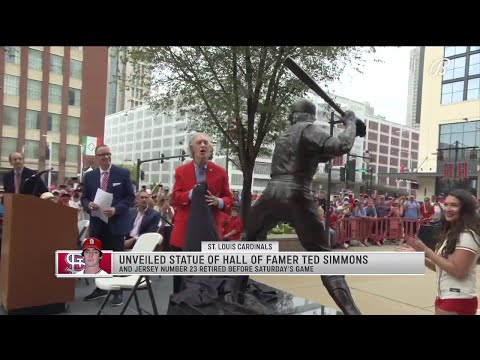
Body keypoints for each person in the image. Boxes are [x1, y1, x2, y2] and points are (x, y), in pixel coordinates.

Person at [236, 98, 366, 315]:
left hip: (272, 192)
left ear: (292, 116)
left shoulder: (285, 135)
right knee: (325, 258)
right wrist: (350, 123)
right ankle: (352, 312)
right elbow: (340, 146)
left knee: (248, 237)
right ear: (310, 117)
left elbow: (323, 153)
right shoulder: (309, 129)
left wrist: (352, 129)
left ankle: (236, 291)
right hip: (295, 192)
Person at [400, 189, 480, 315]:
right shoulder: (451, 233)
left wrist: (427, 251)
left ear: (465, 210)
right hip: (444, 297)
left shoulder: (467, 236)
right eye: (446, 204)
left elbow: (458, 271)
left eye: (454, 205)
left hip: (458, 299)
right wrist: (419, 256)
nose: (448, 209)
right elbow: (441, 267)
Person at [170, 133, 233, 292]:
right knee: (180, 280)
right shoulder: (181, 171)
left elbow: (229, 198)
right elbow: (175, 198)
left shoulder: (220, 172)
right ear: (192, 148)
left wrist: (218, 202)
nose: (203, 145)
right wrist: (192, 194)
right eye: (199, 142)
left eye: (206, 142)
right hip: (184, 234)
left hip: (209, 232)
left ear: (210, 148)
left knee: (207, 280)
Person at [81, 144, 135, 306]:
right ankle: (101, 288)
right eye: (102, 155)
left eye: (108, 154)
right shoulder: (89, 177)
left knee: (115, 258)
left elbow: (130, 197)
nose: (106, 157)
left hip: (116, 224)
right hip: (97, 224)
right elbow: (84, 198)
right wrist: (88, 204)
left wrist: (116, 209)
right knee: (99, 258)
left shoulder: (122, 173)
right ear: (96, 158)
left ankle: (117, 291)